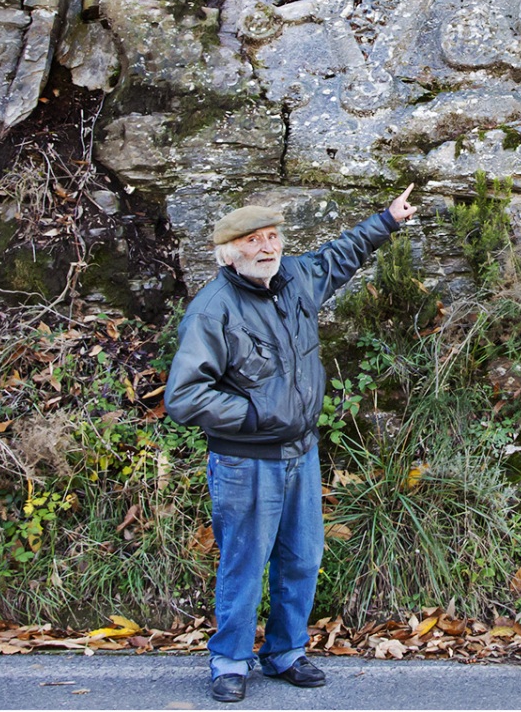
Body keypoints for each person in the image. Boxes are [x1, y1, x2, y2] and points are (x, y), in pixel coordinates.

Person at [165, 184, 419, 703]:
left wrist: (387, 219)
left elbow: (340, 255)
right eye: (253, 240)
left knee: (301, 558)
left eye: (273, 236)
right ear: (230, 254)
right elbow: (184, 397)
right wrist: (256, 414)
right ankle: (229, 660)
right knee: (245, 564)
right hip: (244, 462)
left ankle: (285, 652)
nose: (268, 247)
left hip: (301, 454)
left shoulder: (296, 278)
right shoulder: (212, 311)